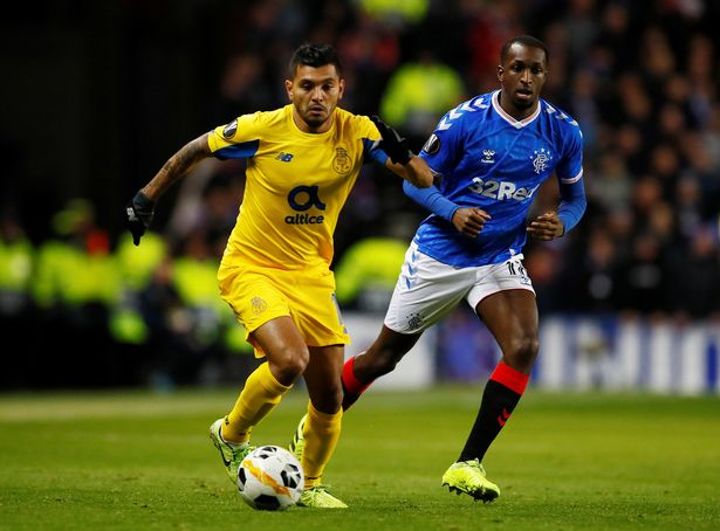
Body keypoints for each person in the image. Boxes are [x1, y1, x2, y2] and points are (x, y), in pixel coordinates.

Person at [124, 43, 432, 509]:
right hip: (252, 266)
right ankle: (231, 434)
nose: (317, 96)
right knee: (289, 361)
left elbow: (424, 180)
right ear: (290, 89)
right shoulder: (262, 128)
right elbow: (197, 149)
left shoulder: (359, 132)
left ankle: (310, 484)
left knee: (330, 395)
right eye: (307, 86)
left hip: (311, 273)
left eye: (326, 86)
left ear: (341, 88)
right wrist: (147, 196)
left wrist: (401, 153)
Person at [290, 35, 587, 503]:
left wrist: (562, 223)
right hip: (441, 254)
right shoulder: (465, 121)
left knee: (524, 345)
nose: (526, 78)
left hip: (499, 255)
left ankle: (468, 463)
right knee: (382, 358)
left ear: (545, 76)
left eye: (535, 70)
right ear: (501, 73)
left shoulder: (563, 131)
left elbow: (576, 199)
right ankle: (313, 425)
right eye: (518, 68)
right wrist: (453, 212)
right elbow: (414, 182)